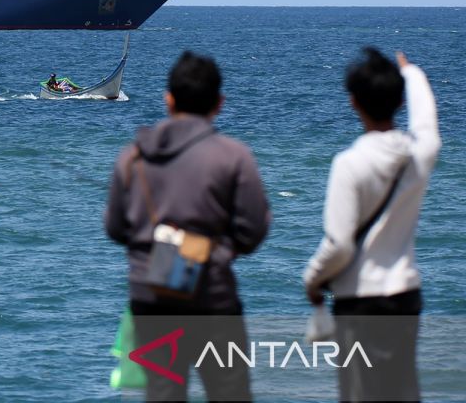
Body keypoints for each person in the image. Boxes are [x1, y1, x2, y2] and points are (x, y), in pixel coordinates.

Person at [105, 51, 271, 401]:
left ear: (168, 99)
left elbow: (115, 228)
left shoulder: (132, 157)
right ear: (219, 103)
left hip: (151, 297)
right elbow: (253, 231)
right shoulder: (233, 156)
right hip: (214, 296)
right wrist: (214, 248)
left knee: (164, 394)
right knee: (230, 393)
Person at [303, 49, 440, 402]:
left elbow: (340, 245)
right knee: (404, 391)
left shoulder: (349, 163)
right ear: (397, 101)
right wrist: (412, 73)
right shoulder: (419, 154)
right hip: (405, 295)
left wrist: (313, 279)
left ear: (353, 103)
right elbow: (426, 122)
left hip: (360, 302)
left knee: (359, 394)